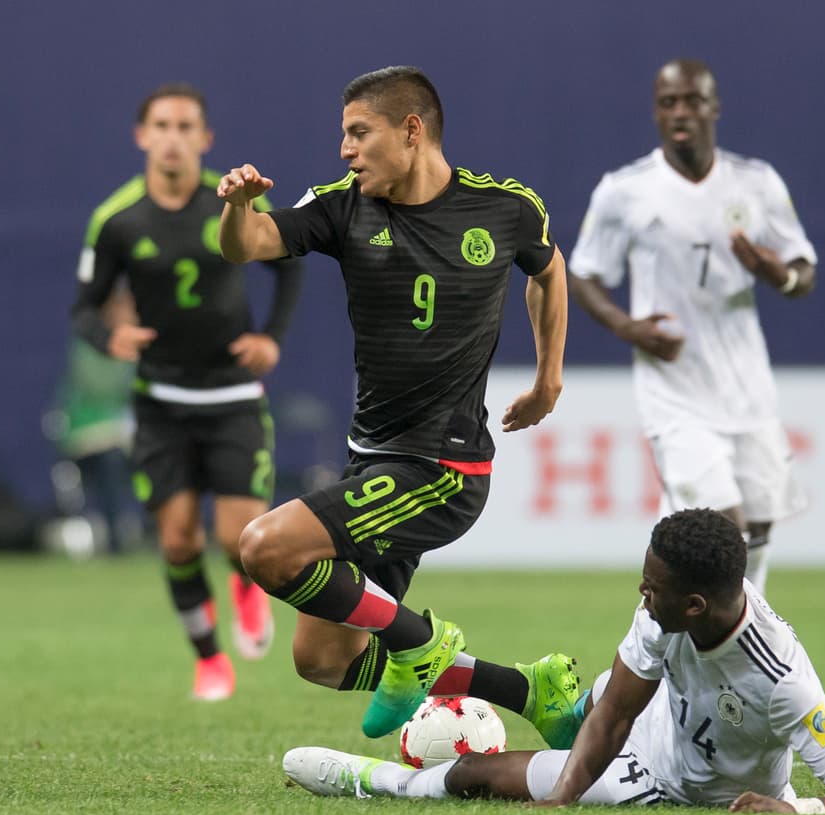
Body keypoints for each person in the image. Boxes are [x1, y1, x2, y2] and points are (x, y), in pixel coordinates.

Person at [216, 65, 579, 746]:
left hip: (443, 470)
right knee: (322, 659)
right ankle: (531, 688)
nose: (346, 150)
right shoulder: (343, 205)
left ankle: (421, 642)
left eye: (359, 133)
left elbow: (549, 267)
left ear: (411, 130)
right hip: (373, 464)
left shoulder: (504, 207)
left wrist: (549, 376)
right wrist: (238, 206)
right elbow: (251, 244)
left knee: (264, 548)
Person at [282, 508, 825, 815]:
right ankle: (543, 701)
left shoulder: (780, 680)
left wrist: (797, 810)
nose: (641, 594)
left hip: (683, 790)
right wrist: (564, 798)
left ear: (696, 604)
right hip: (651, 731)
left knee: (476, 773)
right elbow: (617, 713)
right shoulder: (665, 612)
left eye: (653, 589)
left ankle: (375, 780)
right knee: (604, 695)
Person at [71, 83, 305, 701]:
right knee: (177, 539)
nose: (173, 137)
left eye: (186, 127)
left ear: (205, 140)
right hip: (161, 401)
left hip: (231, 397)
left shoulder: (229, 202)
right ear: (142, 136)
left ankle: (246, 587)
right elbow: (83, 310)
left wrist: (271, 339)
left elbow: (289, 265)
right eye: (163, 125)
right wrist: (108, 334)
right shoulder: (117, 220)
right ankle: (208, 660)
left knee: (240, 539)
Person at [567, 58, 818, 597]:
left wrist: (776, 273)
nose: (680, 112)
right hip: (674, 392)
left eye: (692, 101)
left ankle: (732, 646)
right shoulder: (626, 189)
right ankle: (690, 655)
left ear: (714, 108)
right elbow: (582, 272)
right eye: (668, 102)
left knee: (758, 528)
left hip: (747, 385)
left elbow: (804, 273)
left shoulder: (756, 183)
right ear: (657, 112)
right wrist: (627, 326)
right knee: (720, 529)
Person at [50, 286, 143, 553]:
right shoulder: (91, 347)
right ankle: (116, 539)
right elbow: (101, 389)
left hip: (131, 435)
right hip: (89, 437)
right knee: (112, 460)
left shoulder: (144, 347)